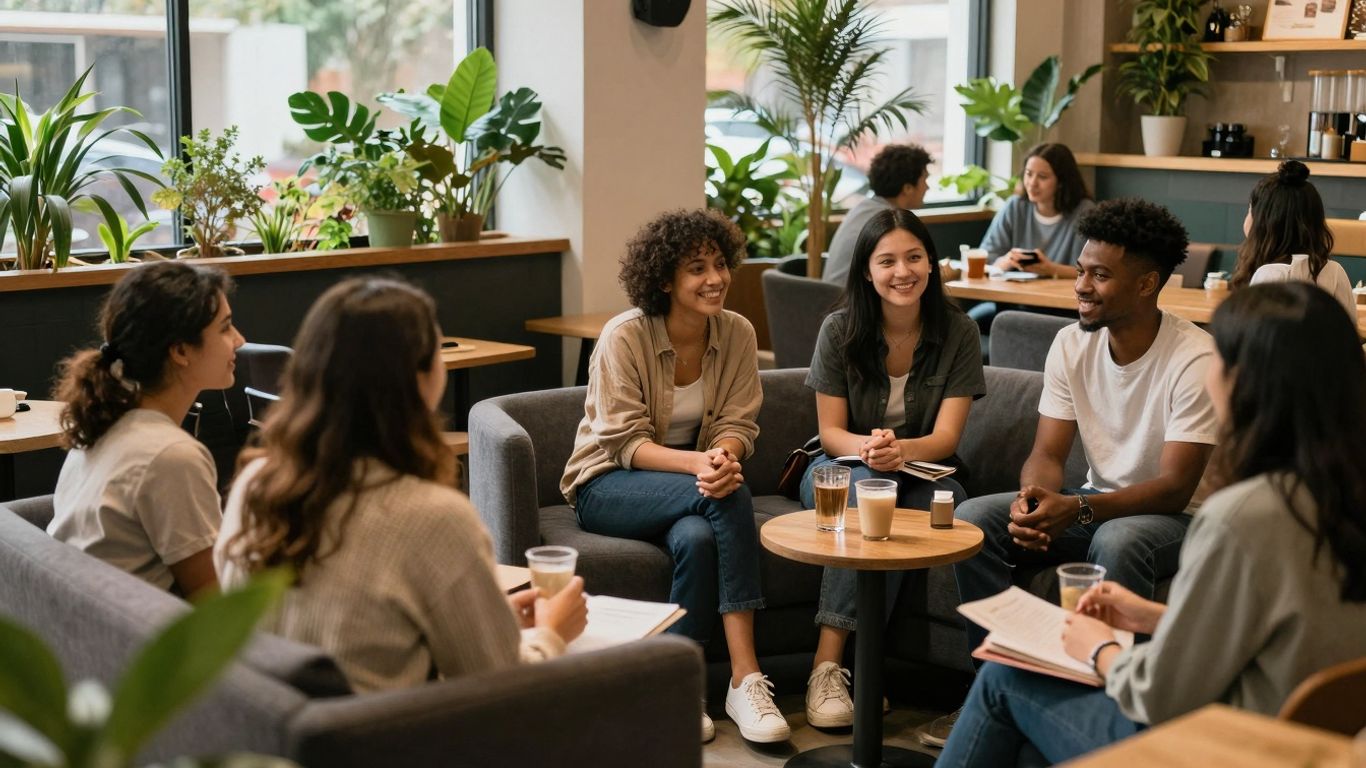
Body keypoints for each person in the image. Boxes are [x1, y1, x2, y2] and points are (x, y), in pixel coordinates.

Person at [936, 282, 1366, 767]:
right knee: (1032, 747)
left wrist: (1098, 648)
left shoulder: (1241, 518)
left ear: (1246, 383)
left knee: (1004, 681)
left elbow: (1161, 697)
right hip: (1318, 745)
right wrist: (1156, 616)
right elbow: (1279, 634)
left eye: (1221, 359)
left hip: (1228, 746)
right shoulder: (1339, 496)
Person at [934, 198, 1219, 747]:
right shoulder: (1071, 343)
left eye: (1100, 275)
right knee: (975, 520)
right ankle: (994, 691)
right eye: (1081, 270)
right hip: (1096, 502)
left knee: (1119, 540)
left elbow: (1174, 487)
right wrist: (1034, 499)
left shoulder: (1194, 359)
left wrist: (1079, 508)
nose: (1081, 286)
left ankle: (1111, 720)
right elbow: (1047, 451)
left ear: (1147, 284)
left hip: (1179, 517)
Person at [216, 277, 588, 693]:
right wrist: (553, 632)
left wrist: (488, 620)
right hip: (383, 728)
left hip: (267, 726)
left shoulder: (254, 486)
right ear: (420, 379)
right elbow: (499, 691)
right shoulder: (433, 517)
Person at [560, 209, 787, 744]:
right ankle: (745, 675)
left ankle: (678, 690)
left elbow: (737, 423)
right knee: (728, 498)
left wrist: (722, 456)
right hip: (608, 483)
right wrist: (701, 465)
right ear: (664, 279)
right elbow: (622, 442)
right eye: (696, 269)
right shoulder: (624, 336)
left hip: (690, 489)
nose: (715, 279)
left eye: (720, 264)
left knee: (699, 537)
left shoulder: (737, 332)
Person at [799, 208, 985, 728]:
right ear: (866, 271)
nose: (902, 272)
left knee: (948, 508)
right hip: (840, 469)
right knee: (870, 491)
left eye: (914, 258)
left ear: (931, 263)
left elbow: (946, 439)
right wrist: (872, 449)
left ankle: (866, 668)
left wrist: (900, 451)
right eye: (887, 261)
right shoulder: (839, 329)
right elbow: (831, 432)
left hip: (924, 469)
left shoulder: (959, 332)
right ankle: (828, 666)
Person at [49, 261, 242, 598]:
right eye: (225, 328)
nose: (239, 340)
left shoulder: (102, 425)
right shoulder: (171, 456)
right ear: (181, 350)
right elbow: (216, 605)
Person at [1231, 159, 1355, 319]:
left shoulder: (1269, 275)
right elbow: (1349, 328)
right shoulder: (1335, 272)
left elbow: (1254, 333)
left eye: (1250, 210)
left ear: (1263, 222)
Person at [823, 143, 933, 287]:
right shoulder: (888, 222)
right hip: (853, 299)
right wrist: (941, 273)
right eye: (924, 180)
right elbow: (903, 275)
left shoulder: (864, 208)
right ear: (907, 188)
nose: (927, 187)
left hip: (833, 296)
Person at [980, 143, 1096, 278]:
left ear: (1061, 182)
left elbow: (1091, 272)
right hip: (1014, 289)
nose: (1032, 183)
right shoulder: (1015, 206)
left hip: (1060, 291)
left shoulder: (1084, 212)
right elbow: (985, 259)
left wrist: (1050, 269)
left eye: (1042, 177)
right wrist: (1006, 261)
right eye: (1028, 174)